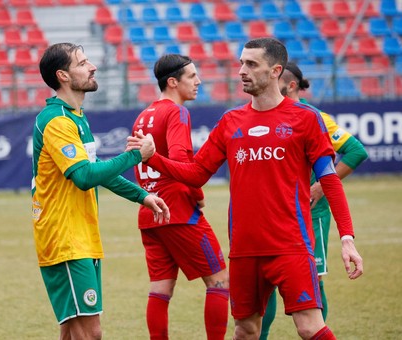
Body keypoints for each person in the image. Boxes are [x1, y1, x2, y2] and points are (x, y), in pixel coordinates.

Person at [127, 37, 364, 340]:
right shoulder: (230, 121)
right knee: (245, 330)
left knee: (309, 327)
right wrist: (154, 158)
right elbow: (196, 173)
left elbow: (329, 179)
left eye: (251, 64)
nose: (242, 70)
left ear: (276, 71)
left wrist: (346, 238)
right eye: (241, 62)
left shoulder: (306, 119)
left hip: (290, 246)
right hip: (243, 252)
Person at [31, 42, 170, 340]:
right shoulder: (56, 121)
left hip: (81, 235)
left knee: (72, 331)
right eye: (82, 63)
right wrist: (136, 156)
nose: (92, 66)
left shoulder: (76, 117)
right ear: (63, 76)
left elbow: (94, 172)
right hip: (65, 239)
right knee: (90, 333)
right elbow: (83, 176)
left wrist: (142, 196)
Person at [260, 62, 369, 339]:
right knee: (265, 282)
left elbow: (356, 151)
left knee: (314, 278)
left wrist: (320, 186)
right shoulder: (268, 114)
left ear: (291, 84)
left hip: (312, 213)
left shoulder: (315, 116)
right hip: (275, 213)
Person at [131, 54, 229, 340]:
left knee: (160, 290)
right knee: (220, 282)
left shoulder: (144, 114)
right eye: (192, 76)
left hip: (149, 212)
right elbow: (183, 162)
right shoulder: (177, 112)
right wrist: (197, 193)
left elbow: (141, 162)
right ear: (172, 82)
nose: (199, 81)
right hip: (177, 210)